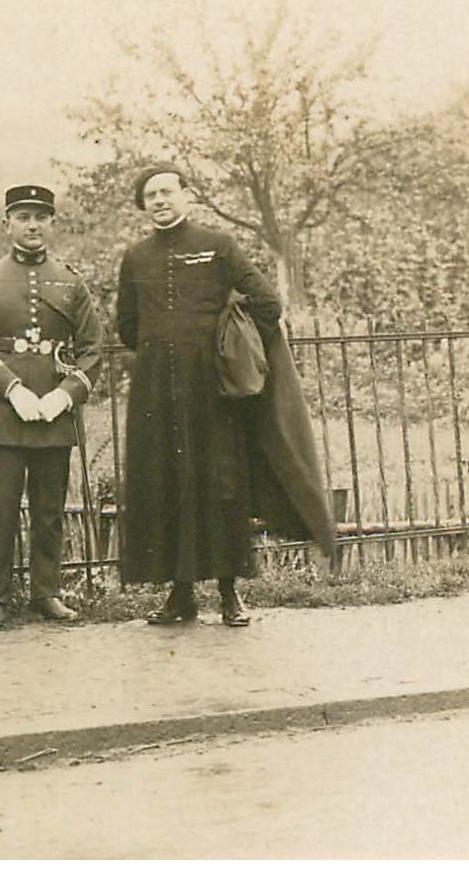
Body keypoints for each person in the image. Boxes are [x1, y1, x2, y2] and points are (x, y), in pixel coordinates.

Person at [116, 165, 284, 627]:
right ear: (143, 205)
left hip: (213, 394)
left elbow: (268, 303)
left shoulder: (218, 246)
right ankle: (181, 595)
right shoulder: (135, 257)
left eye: (167, 191)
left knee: (220, 484)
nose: (159, 200)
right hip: (156, 394)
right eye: (150, 195)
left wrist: (229, 345)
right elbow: (127, 326)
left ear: (187, 196)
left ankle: (230, 593)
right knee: (168, 483)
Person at [0, 182, 102, 627]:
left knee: (49, 510)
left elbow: (93, 348)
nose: (32, 224)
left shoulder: (71, 281)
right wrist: (13, 389)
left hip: (53, 412)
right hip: (3, 411)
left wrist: (65, 395)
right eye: (23, 216)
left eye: (41, 216)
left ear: (53, 223)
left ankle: (47, 592)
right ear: (7, 224)